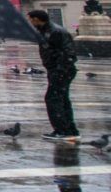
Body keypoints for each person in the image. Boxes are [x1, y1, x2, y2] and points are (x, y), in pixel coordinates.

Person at [28, 9, 79, 141]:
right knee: (62, 99)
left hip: (61, 70)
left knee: (53, 99)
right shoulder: (46, 30)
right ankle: (71, 130)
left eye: (31, 19)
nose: (30, 22)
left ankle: (62, 131)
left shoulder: (55, 31)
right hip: (58, 69)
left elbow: (68, 52)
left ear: (36, 19)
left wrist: (59, 69)